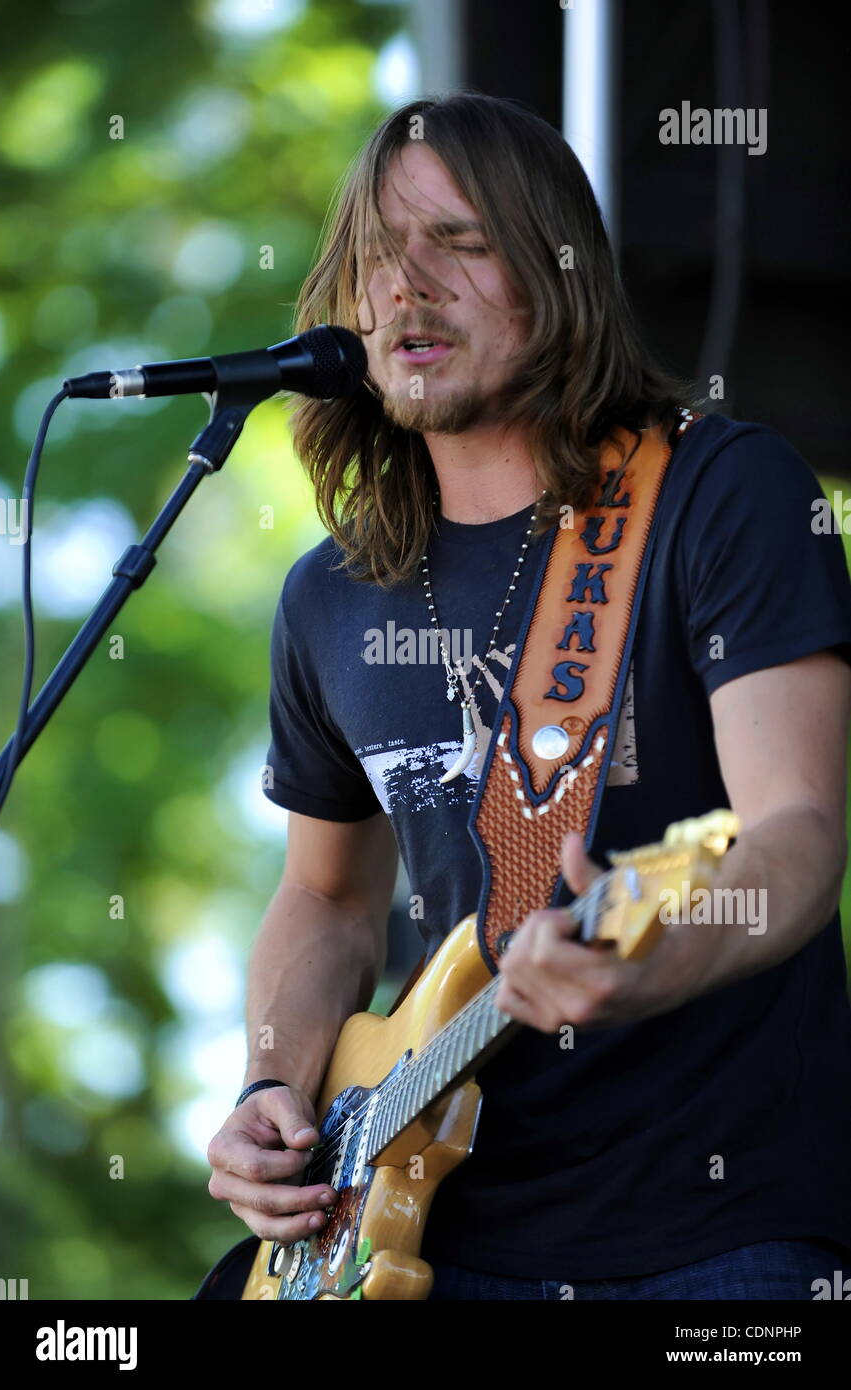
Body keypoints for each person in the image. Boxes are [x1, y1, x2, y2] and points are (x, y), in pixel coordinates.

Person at [205, 93, 851, 1300]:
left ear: (559, 273)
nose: (407, 284)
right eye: (379, 255)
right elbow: (326, 897)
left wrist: (651, 963)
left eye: (459, 242)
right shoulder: (329, 597)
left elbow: (800, 833)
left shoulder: (723, 492)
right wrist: (269, 1088)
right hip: (428, 1231)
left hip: (708, 1236)